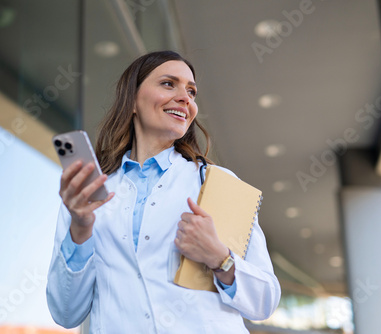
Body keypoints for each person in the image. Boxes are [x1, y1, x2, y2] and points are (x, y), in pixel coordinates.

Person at [46, 50, 281, 333]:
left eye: (191, 91)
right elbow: (65, 312)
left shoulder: (218, 183)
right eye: (169, 84)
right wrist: (81, 229)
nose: (186, 98)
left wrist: (219, 258)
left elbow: (265, 301)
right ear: (132, 100)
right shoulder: (90, 195)